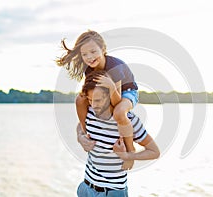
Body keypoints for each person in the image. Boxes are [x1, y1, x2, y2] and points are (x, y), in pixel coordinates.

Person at [56, 30, 138, 170]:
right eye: (85, 54)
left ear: (103, 49)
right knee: (79, 99)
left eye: (93, 51)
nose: (90, 57)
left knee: (118, 112)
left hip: (126, 93)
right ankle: (86, 131)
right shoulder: (88, 69)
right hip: (105, 91)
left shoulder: (115, 67)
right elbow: (88, 94)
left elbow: (117, 101)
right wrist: (80, 134)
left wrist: (111, 87)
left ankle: (131, 152)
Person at [76, 70, 160, 197]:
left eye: (98, 100)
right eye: (90, 100)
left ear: (110, 95)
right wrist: (80, 137)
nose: (94, 105)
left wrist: (128, 156)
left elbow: (154, 152)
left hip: (112, 192)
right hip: (86, 188)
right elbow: (80, 126)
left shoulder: (129, 121)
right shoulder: (90, 113)